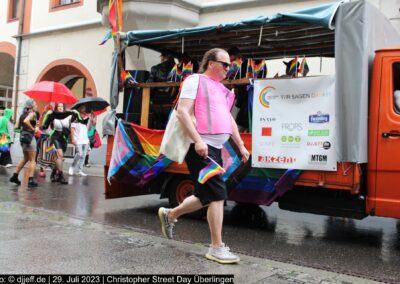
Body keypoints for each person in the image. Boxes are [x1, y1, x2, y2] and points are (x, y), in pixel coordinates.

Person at [157, 48, 250, 264]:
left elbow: (229, 120)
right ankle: (216, 248)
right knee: (218, 193)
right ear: (210, 63)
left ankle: (170, 215)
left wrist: (241, 145)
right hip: (200, 147)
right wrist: (198, 140)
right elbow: (182, 111)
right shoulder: (194, 80)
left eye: (230, 65)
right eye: (225, 64)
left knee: (205, 195)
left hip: (214, 148)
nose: (230, 68)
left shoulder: (221, 89)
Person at [9, 99, 39, 188]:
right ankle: (30, 180)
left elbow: (16, 126)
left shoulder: (22, 115)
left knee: (25, 158)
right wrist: (33, 128)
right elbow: (26, 121)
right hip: (30, 138)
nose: (36, 105)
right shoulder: (32, 114)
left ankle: (15, 176)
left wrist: (28, 127)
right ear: (31, 106)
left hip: (23, 138)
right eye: (35, 104)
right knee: (33, 160)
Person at [42, 102, 70, 184]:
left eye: (62, 106)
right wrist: (47, 114)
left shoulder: (68, 116)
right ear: (56, 107)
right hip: (55, 137)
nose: (60, 107)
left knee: (58, 158)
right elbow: (44, 125)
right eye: (59, 106)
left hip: (64, 138)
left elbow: (71, 125)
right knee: (59, 155)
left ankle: (54, 173)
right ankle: (60, 175)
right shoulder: (53, 115)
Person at [69, 105, 89, 177]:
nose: (84, 109)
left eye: (85, 108)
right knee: (80, 154)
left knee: (83, 155)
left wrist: (92, 118)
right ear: (79, 108)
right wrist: (73, 138)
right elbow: (72, 128)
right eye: (83, 108)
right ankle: (72, 166)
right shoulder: (75, 116)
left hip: (85, 140)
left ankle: (80, 170)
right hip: (78, 139)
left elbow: (89, 128)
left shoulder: (86, 117)